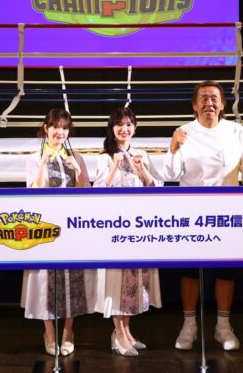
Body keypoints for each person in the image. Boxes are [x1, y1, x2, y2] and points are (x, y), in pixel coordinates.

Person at [164, 81, 243, 351]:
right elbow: (170, 174)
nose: (209, 103)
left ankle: (223, 326)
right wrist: (173, 147)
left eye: (214, 98)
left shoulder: (237, 132)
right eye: (203, 98)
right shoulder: (183, 132)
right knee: (190, 272)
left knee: (226, 272)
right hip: (191, 212)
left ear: (223, 104)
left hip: (228, 211)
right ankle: (189, 326)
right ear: (194, 105)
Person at [21, 108, 94, 357]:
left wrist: (78, 171)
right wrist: (43, 163)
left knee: (73, 279)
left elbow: (87, 193)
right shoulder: (35, 158)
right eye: (55, 127)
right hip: (45, 228)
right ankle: (49, 333)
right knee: (45, 279)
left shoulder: (76, 157)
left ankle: (68, 332)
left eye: (64, 128)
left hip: (72, 227)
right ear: (46, 128)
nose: (60, 132)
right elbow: (34, 193)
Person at [93, 106, 163, 357]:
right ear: (112, 128)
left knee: (134, 282)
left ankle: (126, 332)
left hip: (138, 227)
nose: (124, 129)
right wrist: (114, 166)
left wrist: (141, 168)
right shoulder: (105, 157)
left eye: (129, 124)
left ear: (135, 127)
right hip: (115, 228)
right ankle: (119, 334)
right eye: (119, 124)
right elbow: (98, 190)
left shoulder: (141, 155)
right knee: (117, 281)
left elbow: (156, 186)